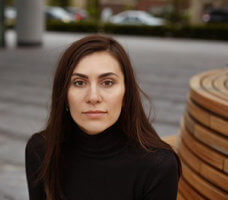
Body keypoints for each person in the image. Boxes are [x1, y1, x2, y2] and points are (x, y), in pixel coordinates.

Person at [25, 34, 182, 200]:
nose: (93, 97)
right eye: (79, 82)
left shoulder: (157, 166)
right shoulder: (41, 149)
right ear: (63, 95)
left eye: (107, 82)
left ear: (126, 94)